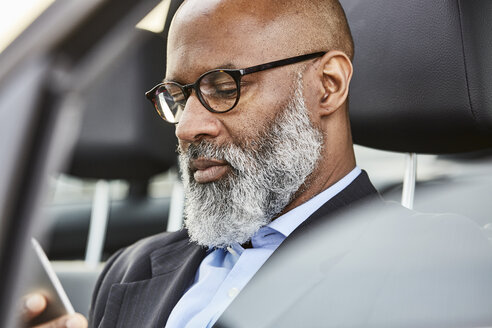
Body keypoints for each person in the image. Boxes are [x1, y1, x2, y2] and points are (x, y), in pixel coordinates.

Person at [24, 0, 379, 326]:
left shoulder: (412, 266)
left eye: (225, 88)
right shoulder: (131, 269)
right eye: (176, 96)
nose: (186, 127)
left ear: (328, 85)